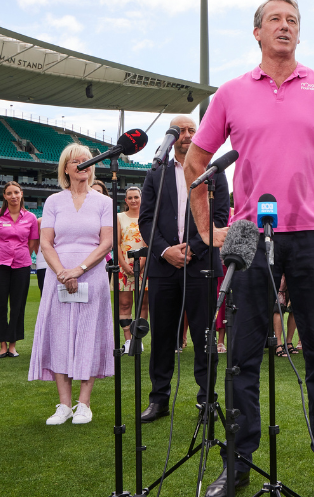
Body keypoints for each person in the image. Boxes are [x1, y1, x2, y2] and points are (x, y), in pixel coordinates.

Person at [185, 0, 314, 497]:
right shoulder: (229, 93)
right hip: (251, 237)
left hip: (313, 237)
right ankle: (239, 465)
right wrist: (208, 231)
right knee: (243, 358)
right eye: (275, 20)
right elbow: (195, 162)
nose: (285, 27)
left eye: (292, 20)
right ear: (257, 33)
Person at [138, 115, 229, 423]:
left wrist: (194, 247)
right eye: (181, 131)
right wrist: (165, 251)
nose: (187, 135)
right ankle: (159, 399)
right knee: (162, 337)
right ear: (171, 137)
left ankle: (206, 400)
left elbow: (219, 217)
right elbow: (145, 219)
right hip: (164, 267)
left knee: (205, 337)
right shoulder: (155, 173)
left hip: (201, 264)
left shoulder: (213, 171)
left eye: (192, 130)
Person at [29, 143, 115, 425]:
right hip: (59, 276)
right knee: (60, 336)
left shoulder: (104, 202)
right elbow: (45, 242)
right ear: (66, 168)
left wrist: (78, 270)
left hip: (91, 275)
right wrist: (63, 273)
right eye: (77, 161)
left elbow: (107, 243)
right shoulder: (53, 201)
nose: (83, 165)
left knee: (89, 335)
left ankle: (84, 404)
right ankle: (64, 405)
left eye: (88, 161)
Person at [0, 181, 39, 359]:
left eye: (16, 192)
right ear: (4, 196)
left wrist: (23, 255)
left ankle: (13, 345)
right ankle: (1, 345)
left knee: (18, 305)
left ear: (22, 194)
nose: (13, 196)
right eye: (9, 193)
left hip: (21, 266)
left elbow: (32, 242)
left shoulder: (30, 217)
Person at [117, 186, 148, 346]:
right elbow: (116, 245)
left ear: (141, 198)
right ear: (126, 200)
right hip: (124, 267)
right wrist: (124, 265)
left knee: (143, 304)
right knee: (125, 304)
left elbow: (148, 243)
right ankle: (128, 340)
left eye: (136, 197)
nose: (133, 200)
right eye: (130, 198)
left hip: (144, 265)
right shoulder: (119, 217)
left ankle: (138, 339)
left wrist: (141, 264)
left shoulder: (147, 217)